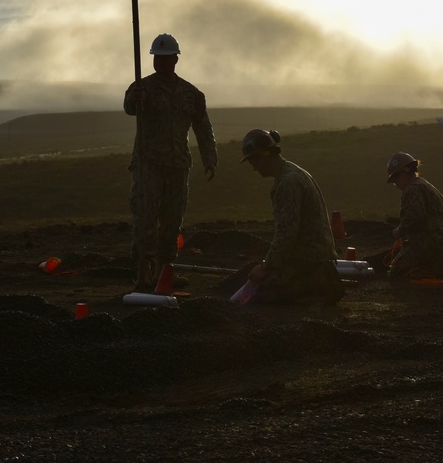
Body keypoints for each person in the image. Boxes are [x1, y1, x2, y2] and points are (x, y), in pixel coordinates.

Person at [124, 33, 217, 292]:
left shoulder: (192, 94)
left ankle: (165, 274)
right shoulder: (141, 88)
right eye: (158, 58)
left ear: (176, 59)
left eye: (167, 58)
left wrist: (209, 157)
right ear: (154, 60)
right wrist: (134, 100)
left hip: (178, 166)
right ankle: (143, 273)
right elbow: (129, 107)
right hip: (148, 165)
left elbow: (202, 127)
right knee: (145, 219)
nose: (162, 62)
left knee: (172, 222)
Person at [239, 129, 343, 305]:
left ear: (261, 157)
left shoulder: (287, 183)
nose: (254, 167)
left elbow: (286, 233)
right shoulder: (294, 173)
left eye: (252, 161)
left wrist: (266, 267)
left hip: (308, 260)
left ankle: (315, 287)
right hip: (316, 256)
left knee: (259, 295)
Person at [386, 152, 443, 279]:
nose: (396, 186)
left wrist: (398, 232)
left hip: (430, 243)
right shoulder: (424, 185)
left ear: (402, 175)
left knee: (398, 269)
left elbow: (414, 220)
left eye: (395, 180)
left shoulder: (412, 190)